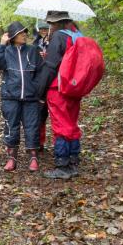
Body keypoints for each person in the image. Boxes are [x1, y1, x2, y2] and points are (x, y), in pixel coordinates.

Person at [36, 10, 82, 180]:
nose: (49, 26)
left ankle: (63, 165)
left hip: (58, 88)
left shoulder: (58, 37)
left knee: (61, 125)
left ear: (55, 23)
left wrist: (40, 91)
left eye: (51, 23)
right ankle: (74, 159)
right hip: (74, 87)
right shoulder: (76, 34)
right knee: (71, 122)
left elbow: (50, 66)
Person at [0, 21, 42, 172]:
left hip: (31, 97)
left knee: (32, 126)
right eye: (21, 33)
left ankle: (33, 157)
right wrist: (1, 45)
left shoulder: (33, 50)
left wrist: (38, 91)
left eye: (25, 32)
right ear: (12, 36)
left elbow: (41, 71)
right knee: (10, 127)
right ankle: (12, 158)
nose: (24, 35)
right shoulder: (6, 51)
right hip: (10, 97)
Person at [33, 20, 51, 151]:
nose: (43, 31)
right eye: (41, 29)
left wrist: (47, 55)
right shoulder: (35, 44)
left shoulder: (55, 42)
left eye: (46, 29)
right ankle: (40, 142)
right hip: (40, 82)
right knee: (40, 114)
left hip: (53, 80)